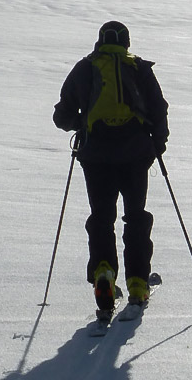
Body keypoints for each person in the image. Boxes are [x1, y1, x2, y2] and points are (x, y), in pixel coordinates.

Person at [53, 21, 169, 322]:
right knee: (136, 216)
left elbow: (61, 115)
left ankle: (104, 272)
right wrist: (158, 144)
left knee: (102, 217)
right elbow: (159, 109)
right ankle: (138, 284)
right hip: (135, 155)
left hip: (97, 157)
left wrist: (82, 125)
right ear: (126, 42)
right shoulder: (140, 68)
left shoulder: (86, 68)